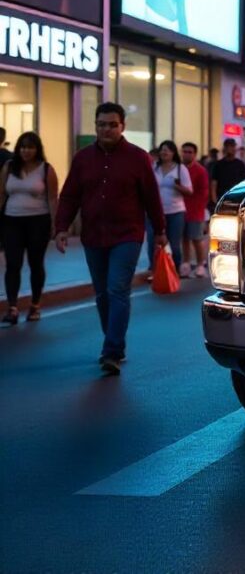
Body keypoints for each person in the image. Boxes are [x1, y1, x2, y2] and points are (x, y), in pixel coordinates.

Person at [54, 103, 166, 376]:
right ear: (95, 126)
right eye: (102, 124)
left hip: (127, 234)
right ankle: (114, 340)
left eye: (112, 124)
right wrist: (61, 228)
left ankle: (112, 351)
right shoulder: (82, 159)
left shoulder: (138, 158)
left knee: (117, 289)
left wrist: (160, 231)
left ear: (122, 126)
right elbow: (69, 195)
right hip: (93, 235)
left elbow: (151, 196)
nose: (106, 129)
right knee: (102, 294)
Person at [0, 131, 58, 324]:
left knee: (35, 263)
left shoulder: (46, 169)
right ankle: (13, 307)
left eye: (30, 147)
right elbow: (1, 194)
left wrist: (55, 224)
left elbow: (52, 198)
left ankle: (35, 305)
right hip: (12, 220)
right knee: (12, 264)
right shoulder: (9, 167)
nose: (26, 151)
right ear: (18, 149)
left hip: (38, 221)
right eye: (23, 147)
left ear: (37, 149)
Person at [146, 140, 191, 274]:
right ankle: (154, 270)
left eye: (167, 150)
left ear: (173, 153)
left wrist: (178, 186)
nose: (164, 152)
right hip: (155, 212)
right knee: (152, 242)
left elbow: (189, 191)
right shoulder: (154, 168)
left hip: (176, 211)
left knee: (174, 244)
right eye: (162, 149)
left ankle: (173, 270)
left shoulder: (180, 169)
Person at [180, 142, 209, 278]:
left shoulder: (200, 171)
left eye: (189, 152)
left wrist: (200, 211)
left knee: (196, 239)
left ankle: (200, 265)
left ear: (195, 154)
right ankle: (185, 263)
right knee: (184, 239)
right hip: (180, 210)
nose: (186, 154)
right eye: (184, 151)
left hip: (195, 211)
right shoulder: (178, 169)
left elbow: (204, 193)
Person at [210, 138, 245, 205]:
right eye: (228, 146)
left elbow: (244, 182)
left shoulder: (240, 164)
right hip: (221, 197)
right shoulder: (218, 164)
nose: (230, 148)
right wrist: (214, 199)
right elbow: (214, 182)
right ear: (224, 148)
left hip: (237, 198)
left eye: (232, 146)